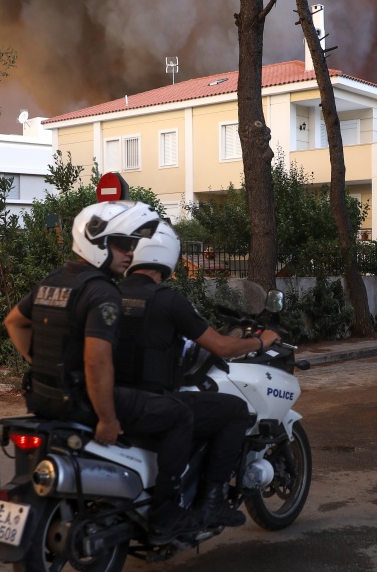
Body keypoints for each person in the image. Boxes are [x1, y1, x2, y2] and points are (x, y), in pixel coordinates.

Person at [3, 201, 201, 545]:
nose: (129, 252)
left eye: (131, 245)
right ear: (96, 242)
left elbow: (14, 321)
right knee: (181, 414)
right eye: (121, 244)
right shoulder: (101, 291)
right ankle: (167, 513)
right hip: (83, 401)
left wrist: (42, 364)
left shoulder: (53, 281)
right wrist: (107, 419)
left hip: (43, 398)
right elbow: (96, 362)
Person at [115, 222, 280, 529]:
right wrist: (261, 340)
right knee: (233, 410)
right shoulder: (169, 301)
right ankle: (212, 502)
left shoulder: (108, 294)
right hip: (150, 403)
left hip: (112, 399)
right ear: (167, 258)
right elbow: (220, 346)